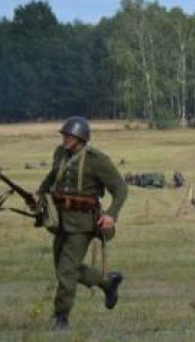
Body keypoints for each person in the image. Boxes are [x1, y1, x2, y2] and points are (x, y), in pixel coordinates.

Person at [37, 116, 128, 330]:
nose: (65, 138)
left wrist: (111, 215)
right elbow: (51, 178)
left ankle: (61, 317)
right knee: (63, 268)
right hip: (59, 222)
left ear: (80, 138)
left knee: (67, 271)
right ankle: (108, 282)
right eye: (64, 135)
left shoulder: (97, 160)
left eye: (69, 135)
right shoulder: (60, 153)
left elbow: (121, 188)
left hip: (83, 224)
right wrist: (39, 194)